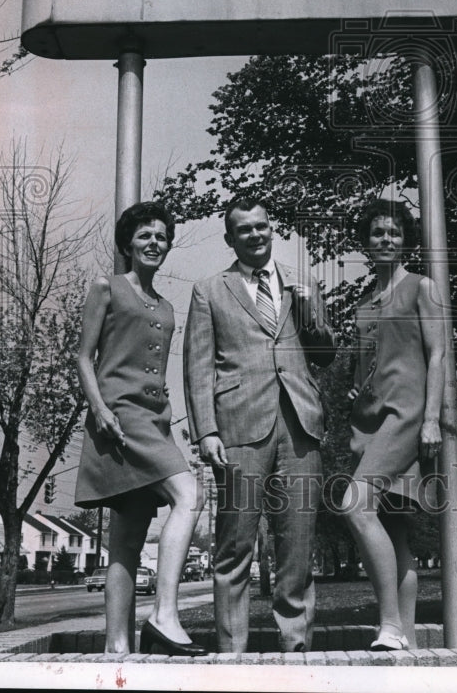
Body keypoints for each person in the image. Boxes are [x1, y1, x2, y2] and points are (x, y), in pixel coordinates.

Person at [183, 196, 336, 653]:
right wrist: (206, 430)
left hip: (300, 427)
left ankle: (297, 651)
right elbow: (198, 366)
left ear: (273, 229)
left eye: (262, 226)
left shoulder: (300, 283)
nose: (255, 234)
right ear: (231, 238)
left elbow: (325, 355)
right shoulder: (210, 290)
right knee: (234, 547)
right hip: (238, 429)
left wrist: (311, 308)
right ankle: (232, 656)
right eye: (244, 229)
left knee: (297, 548)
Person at [74, 201, 206, 656]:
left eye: (162, 237)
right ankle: (164, 616)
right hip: (120, 418)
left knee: (128, 538)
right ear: (128, 243)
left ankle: (117, 650)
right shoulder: (106, 286)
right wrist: (100, 410)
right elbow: (82, 357)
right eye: (146, 235)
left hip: (156, 423)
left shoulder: (167, 307)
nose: (155, 243)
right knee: (189, 495)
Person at [340, 198, 445, 652]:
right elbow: (374, 366)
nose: (387, 239)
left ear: (405, 240)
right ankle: (403, 636)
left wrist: (432, 420)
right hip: (370, 423)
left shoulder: (422, 287)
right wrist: (355, 391)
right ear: (365, 241)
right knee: (395, 529)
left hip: (408, 418)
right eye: (378, 233)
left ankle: (389, 626)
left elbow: (438, 354)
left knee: (354, 505)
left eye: (395, 233)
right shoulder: (364, 305)